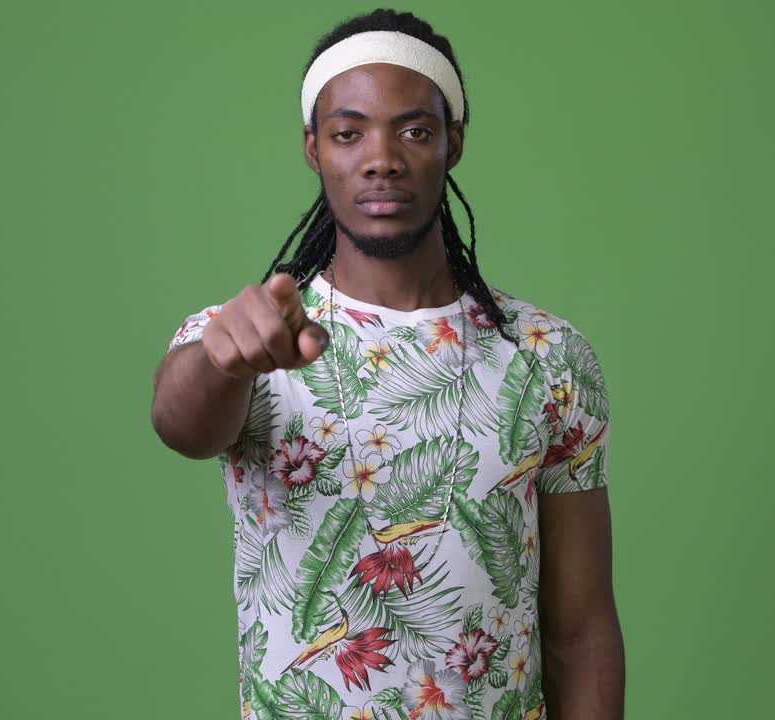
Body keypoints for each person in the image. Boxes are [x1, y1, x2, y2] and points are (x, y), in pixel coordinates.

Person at [150, 9, 624, 719]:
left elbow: (581, 632)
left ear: (454, 143)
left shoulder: (548, 357)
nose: (382, 159)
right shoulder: (250, 339)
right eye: (348, 133)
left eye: (415, 131)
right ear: (313, 148)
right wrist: (223, 362)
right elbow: (180, 424)